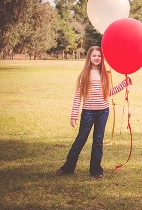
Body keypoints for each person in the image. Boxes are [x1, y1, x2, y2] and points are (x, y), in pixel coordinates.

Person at [56, 46, 131, 179]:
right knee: (81, 139)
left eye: (99, 56)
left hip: (103, 112)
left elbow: (108, 93)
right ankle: (68, 167)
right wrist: (74, 115)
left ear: (102, 58)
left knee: (98, 141)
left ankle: (95, 170)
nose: (97, 58)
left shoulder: (104, 74)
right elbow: (78, 96)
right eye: (94, 56)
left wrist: (124, 83)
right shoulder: (84, 74)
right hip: (88, 112)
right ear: (89, 58)